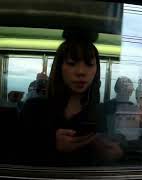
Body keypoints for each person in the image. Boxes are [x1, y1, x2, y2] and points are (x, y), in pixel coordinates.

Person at [20, 30, 122, 166]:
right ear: (59, 67)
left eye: (89, 64)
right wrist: (51, 144)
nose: (81, 72)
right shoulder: (34, 108)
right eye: (71, 63)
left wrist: (111, 155)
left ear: (96, 70)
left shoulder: (99, 112)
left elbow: (97, 163)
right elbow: (15, 155)